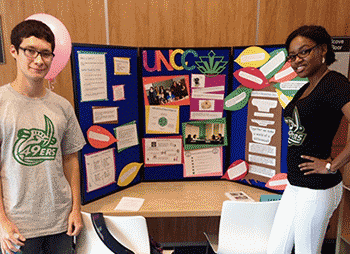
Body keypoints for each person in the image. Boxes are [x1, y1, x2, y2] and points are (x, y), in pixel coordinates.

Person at [0, 20, 86, 254]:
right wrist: (2, 221)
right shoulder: (1, 103)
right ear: (14, 51)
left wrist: (75, 209)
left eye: (45, 53)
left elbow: (70, 159)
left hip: (60, 223)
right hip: (18, 228)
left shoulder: (62, 107)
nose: (39, 60)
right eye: (30, 51)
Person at [267, 25, 350, 254]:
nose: (296, 60)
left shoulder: (334, 83)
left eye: (304, 52)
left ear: (322, 50)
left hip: (317, 188)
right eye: (292, 56)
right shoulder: (306, 86)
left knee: (306, 251)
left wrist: (332, 165)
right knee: (276, 250)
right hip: (296, 184)